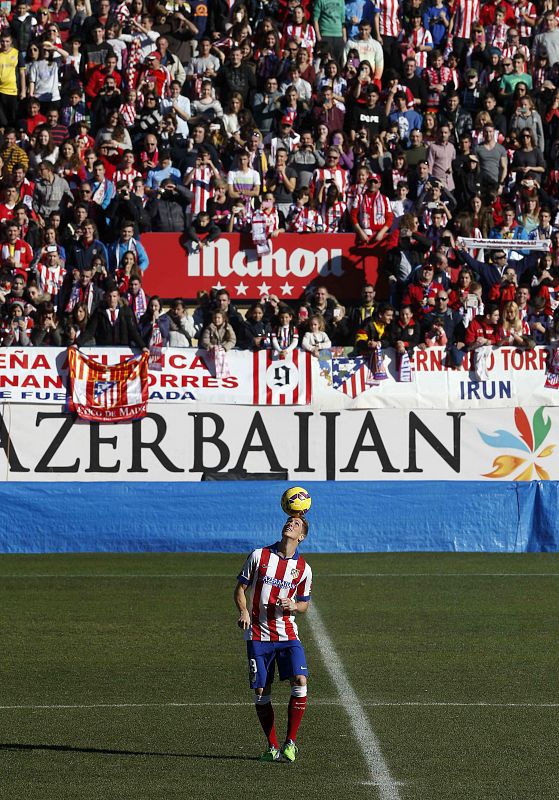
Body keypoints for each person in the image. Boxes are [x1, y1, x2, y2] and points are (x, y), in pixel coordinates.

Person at [234, 513, 312, 763]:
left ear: (301, 537)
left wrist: (293, 605)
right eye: (289, 521)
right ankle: (272, 746)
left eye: (297, 524)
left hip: (288, 634)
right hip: (257, 635)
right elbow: (240, 589)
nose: (291, 523)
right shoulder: (259, 555)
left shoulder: (304, 569)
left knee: (300, 680)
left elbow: (304, 605)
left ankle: (291, 743)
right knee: (260, 690)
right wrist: (244, 610)